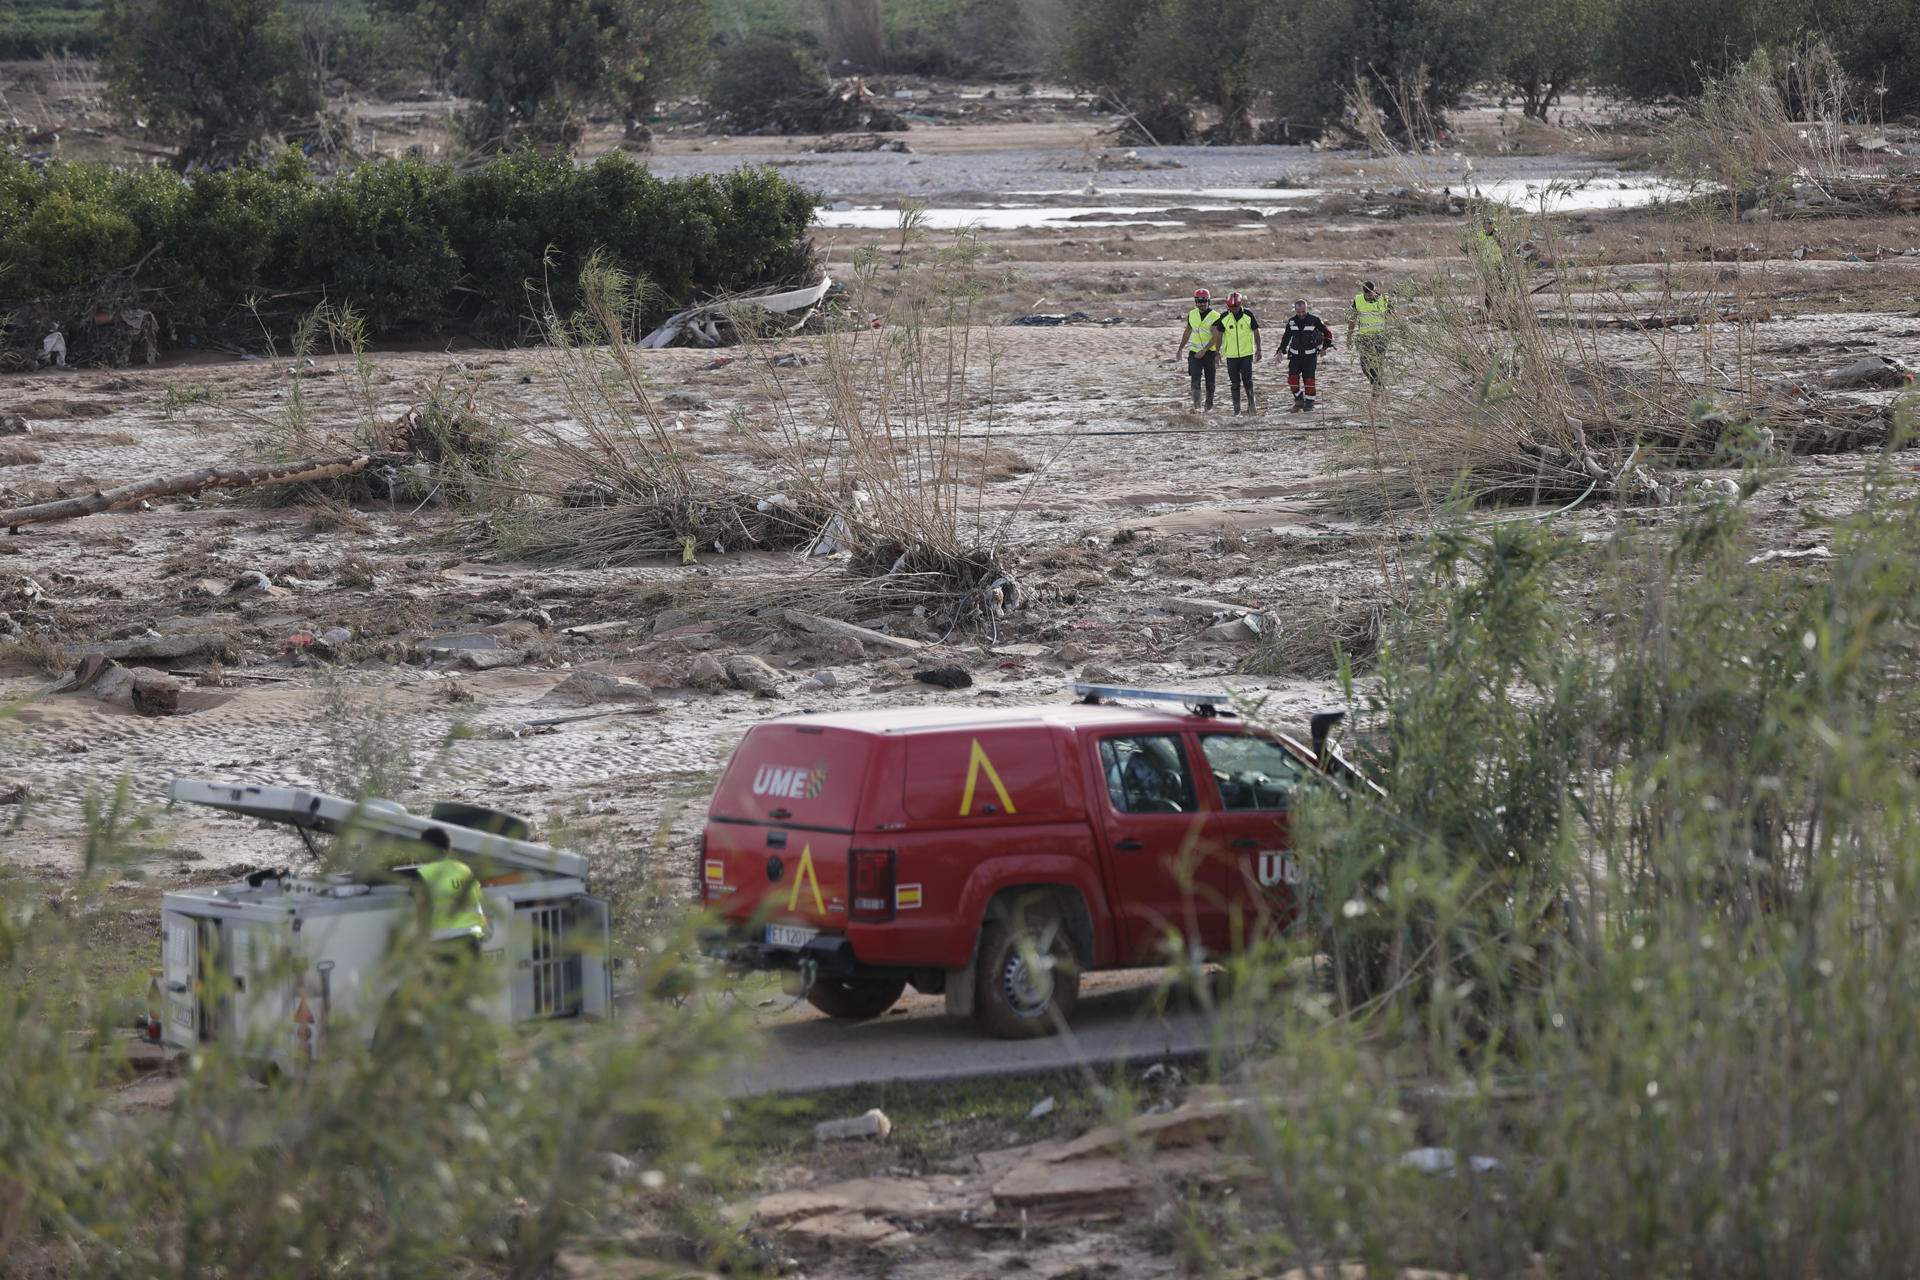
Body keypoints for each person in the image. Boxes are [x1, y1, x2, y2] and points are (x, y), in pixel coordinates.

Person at [414, 826, 487, 960]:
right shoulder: (464, 869)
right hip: (472, 940)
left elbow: (423, 911)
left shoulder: (425, 874)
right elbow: (477, 896)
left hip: (444, 944)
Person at [1277, 299, 1334, 412]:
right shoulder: (1291, 321)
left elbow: (1328, 333)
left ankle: (1309, 404)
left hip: (1310, 357)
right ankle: (1299, 400)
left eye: (1303, 311)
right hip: (1295, 356)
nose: (1301, 314)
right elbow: (1286, 337)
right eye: (1298, 312)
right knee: (1292, 380)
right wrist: (1280, 350)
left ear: (1306, 309)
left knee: (1309, 381)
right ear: (1295, 310)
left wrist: (1324, 347)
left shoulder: (1314, 320)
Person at [1172, 288, 1223, 410]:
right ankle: (1197, 407)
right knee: (1195, 378)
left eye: (1204, 301)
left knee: (1210, 382)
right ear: (1195, 302)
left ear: (1208, 301)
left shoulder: (1216, 316)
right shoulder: (1192, 314)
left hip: (1210, 353)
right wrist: (1180, 349)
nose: (1201, 304)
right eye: (1199, 301)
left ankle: (1208, 406)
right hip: (1194, 353)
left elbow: (1216, 337)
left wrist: (1205, 350)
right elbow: (1188, 331)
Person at [1216, 292, 1261, 415]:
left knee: (1247, 380)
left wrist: (1259, 349)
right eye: (1231, 307)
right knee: (1234, 383)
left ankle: (1252, 405)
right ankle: (1237, 410)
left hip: (1246, 354)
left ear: (1240, 304)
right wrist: (1217, 352)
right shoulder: (1224, 317)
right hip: (1231, 356)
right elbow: (1219, 335)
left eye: (1235, 307)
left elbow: (1256, 332)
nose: (1233, 309)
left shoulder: (1248, 315)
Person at [1347, 280, 1390, 397]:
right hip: (1364, 337)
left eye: (1371, 293)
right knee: (1365, 365)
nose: (1370, 296)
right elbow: (1352, 319)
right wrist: (1349, 336)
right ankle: (1378, 385)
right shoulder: (1358, 300)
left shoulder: (1384, 299)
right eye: (1367, 294)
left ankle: (1376, 389)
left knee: (1377, 363)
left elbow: (1394, 316)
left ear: (1375, 290)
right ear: (1364, 292)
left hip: (1380, 336)